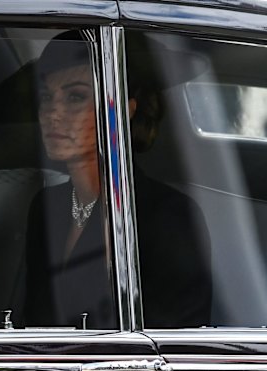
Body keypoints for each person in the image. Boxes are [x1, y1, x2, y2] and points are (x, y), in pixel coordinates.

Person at [23, 30, 211, 329]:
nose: (53, 113)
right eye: (47, 97)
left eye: (75, 96)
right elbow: (29, 322)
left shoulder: (169, 215)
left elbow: (176, 338)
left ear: (123, 110)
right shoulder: (46, 206)